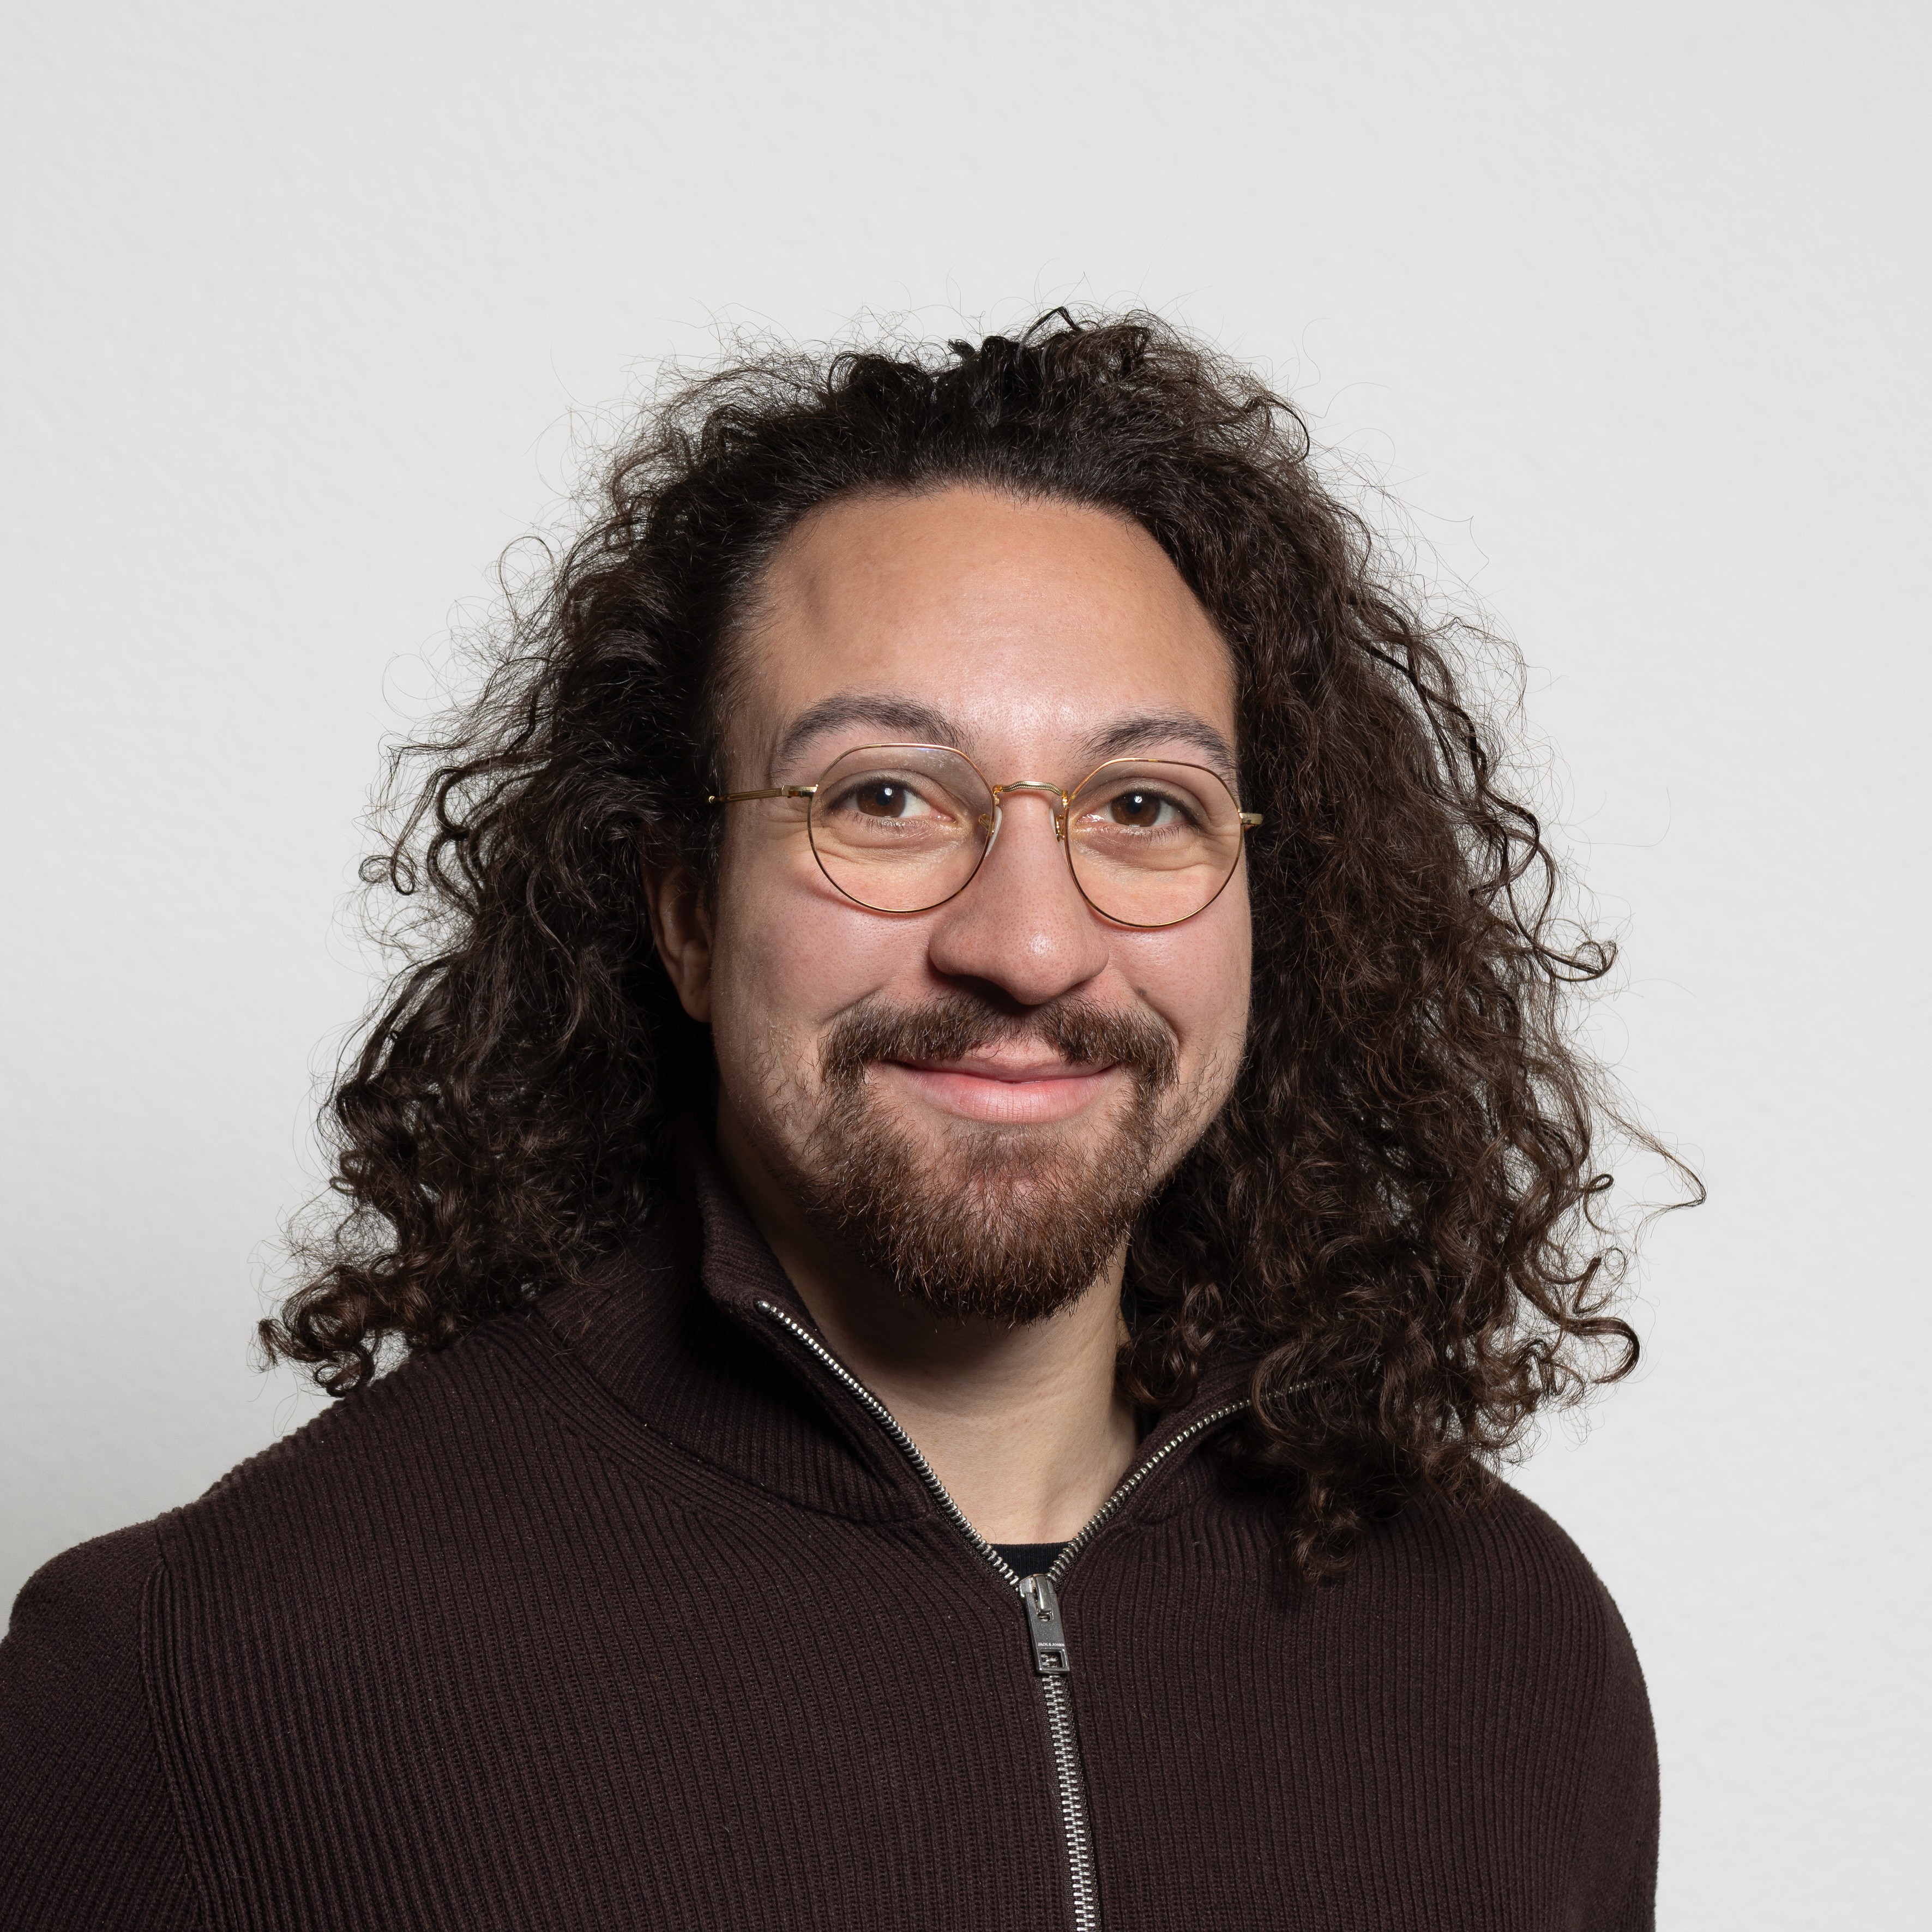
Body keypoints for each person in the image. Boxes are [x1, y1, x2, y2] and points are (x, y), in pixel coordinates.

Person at [0, 314, 1676, 1931]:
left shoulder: (1513, 1647)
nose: (1029, 945)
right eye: (883, 797)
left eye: (1146, 807)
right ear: (680, 913)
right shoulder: (200, 1673)